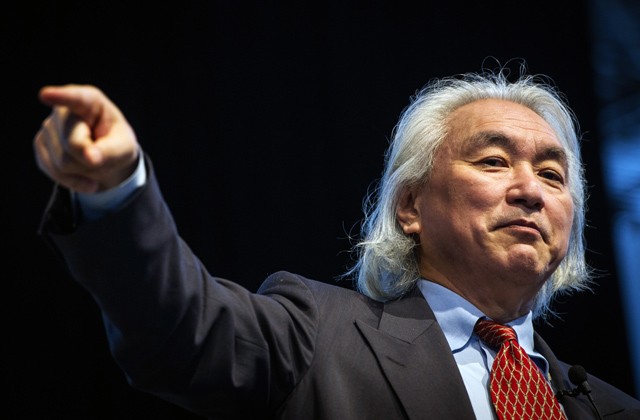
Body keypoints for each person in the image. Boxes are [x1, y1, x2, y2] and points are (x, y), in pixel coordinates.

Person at [34, 71, 640, 419]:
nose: (530, 191)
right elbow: (178, 327)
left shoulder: (614, 408)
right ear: (410, 207)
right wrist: (118, 191)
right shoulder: (316, 335)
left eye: (553, 175)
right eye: (493, 161)